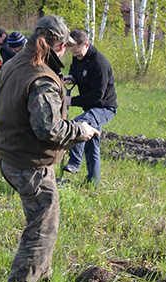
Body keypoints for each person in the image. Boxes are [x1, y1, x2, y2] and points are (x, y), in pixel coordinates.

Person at [0, 15, 100, 282]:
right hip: (29, 163)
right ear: (61, 46)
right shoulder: (41, 76)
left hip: (13, 156)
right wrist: (81, 131)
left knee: (44, 222)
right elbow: (48, 129)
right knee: (42, 230)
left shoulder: (14, 62)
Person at [61, 29, 117, 185]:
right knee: (92, 148)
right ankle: (93, 183)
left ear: (86, 44)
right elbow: (76, 70)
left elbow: (96, 96)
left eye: (77, 53)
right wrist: (72, 77)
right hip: (91, 109)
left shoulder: (100, 64)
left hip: (104, 108)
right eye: (72, 53)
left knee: (80, 124)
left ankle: (74, 162)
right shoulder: (78, 57)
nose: (75, 56)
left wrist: (71, 101)